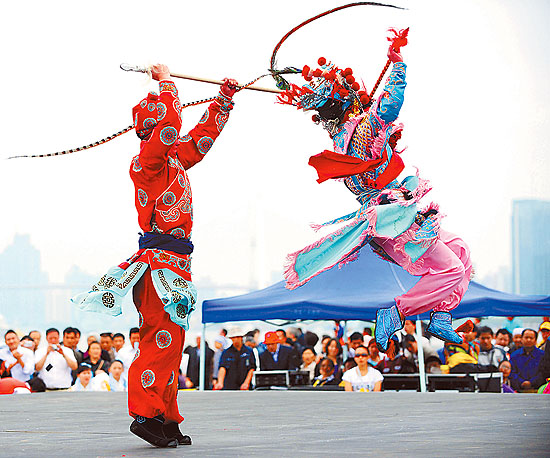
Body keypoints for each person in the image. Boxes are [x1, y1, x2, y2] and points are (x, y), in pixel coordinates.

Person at [72, 63, 238, 447]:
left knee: (172, 343)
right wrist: (166, 83)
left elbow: (200, 139)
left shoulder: (172, 160)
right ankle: (145, 413)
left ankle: (165, 416)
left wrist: (224, 100)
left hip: (176, 265)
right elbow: (172, 127)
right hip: (158, 265)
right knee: (158, 340)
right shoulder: (147, 162)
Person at [278, 29, 472, 354]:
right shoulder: (365, 130)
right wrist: (398, 66)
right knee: (451, 269)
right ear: (349, 101)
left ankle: (441, 315)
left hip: (392, 216)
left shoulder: (343, 139)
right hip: (393, 218)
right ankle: (396, 313)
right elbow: (390, 103)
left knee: (460, 250)